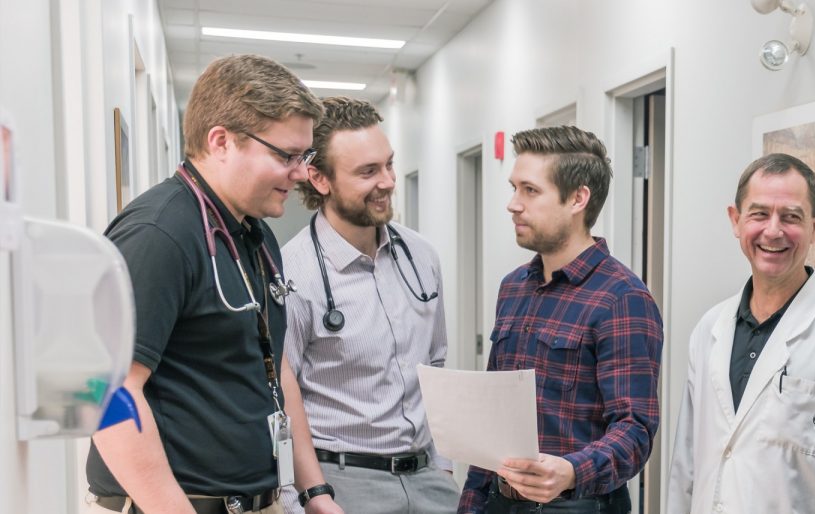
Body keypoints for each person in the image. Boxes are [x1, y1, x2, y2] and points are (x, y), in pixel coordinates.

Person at [86, 54, 343, 514]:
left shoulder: (255, 233)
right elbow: (109, 394)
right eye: (285, 156)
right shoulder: (159, 234)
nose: (301, 173)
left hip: (255, 502)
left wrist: (314, 491)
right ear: (221, 141)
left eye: (304, 157)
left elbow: (275, 365)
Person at [458, 126, 664, 514]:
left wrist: (571, 471)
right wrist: (470, 506)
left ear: (577, 199)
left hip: (580, 505)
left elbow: (635, 430)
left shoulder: (622, 298)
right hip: (501, 502)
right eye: (514, 188)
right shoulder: (513, 288)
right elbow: (494, 421)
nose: (513, 204)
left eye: (530, 191)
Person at [278, 96, 459, 514]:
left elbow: (436, 363)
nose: (388, 181)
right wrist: (303, 499)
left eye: (389, 164)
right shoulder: (292, 274)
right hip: (343, 486)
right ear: (319, 179)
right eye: (368, 171)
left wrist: (444, 468)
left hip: (430, 481)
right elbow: (283, 400)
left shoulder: (421, 256)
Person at [666, 154, 815, 514]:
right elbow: (686, 465)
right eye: (759, 214)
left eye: (790, 217)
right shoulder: (709, 328)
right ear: (736, 220)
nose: (773, 231)